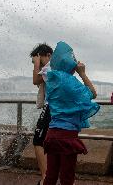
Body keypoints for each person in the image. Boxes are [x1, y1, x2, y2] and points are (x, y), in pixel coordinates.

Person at [40, 41, 100, 185]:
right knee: (67, 177)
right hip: (67, 135)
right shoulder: (70, 82)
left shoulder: (52, 79)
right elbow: (92, 93)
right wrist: (83, 73)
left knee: (50, 176)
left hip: (52, 133)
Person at [30, 43, 53, 185]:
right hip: (57, 108)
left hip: (51, 107)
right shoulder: (57, 67)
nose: (38, 64)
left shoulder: (50, 67)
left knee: (38, 141)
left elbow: (35, 81)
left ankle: (46, 179)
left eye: (40, 59)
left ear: (48, 56)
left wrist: (36, 64)